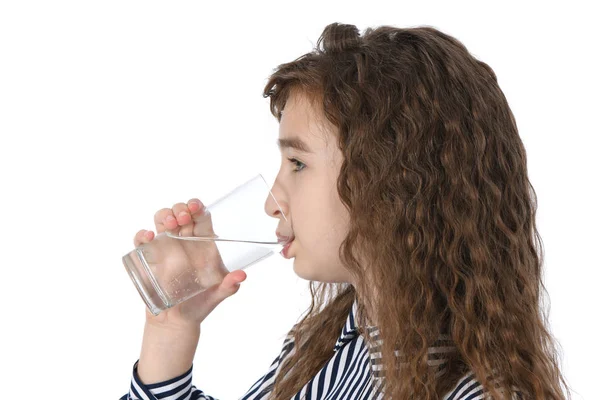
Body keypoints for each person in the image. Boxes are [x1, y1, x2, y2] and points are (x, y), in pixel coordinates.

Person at [121, 23, 572, 400]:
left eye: (298, 163)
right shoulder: (327, 347)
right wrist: (170, 335)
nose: (270, 202)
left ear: (392, 180)